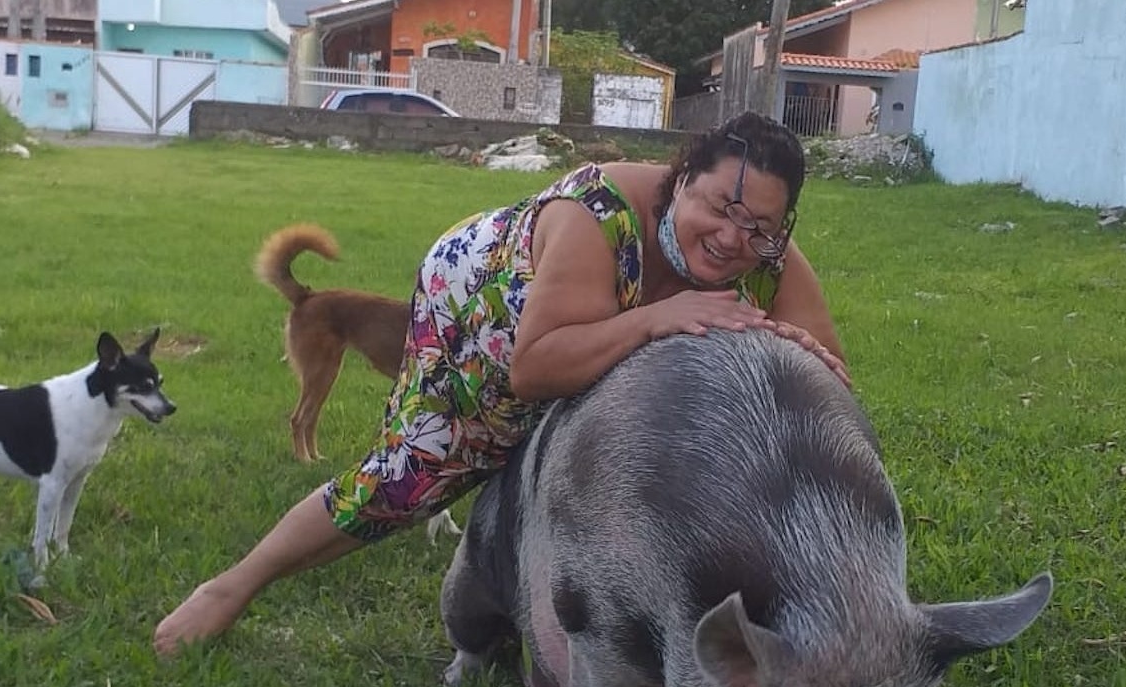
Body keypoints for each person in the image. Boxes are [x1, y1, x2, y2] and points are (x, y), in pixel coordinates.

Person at [153, 111, 851, 656]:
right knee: (412, 477)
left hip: (586, 324)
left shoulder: (768, 257)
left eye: (758, 225)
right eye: (719, 209)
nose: (734, 239)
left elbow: (828, 386)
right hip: (483, 307)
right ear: (680, 178)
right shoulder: (598, 215)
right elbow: (537, 364)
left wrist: (793, 348)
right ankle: (230, 588)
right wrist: (658, 319)